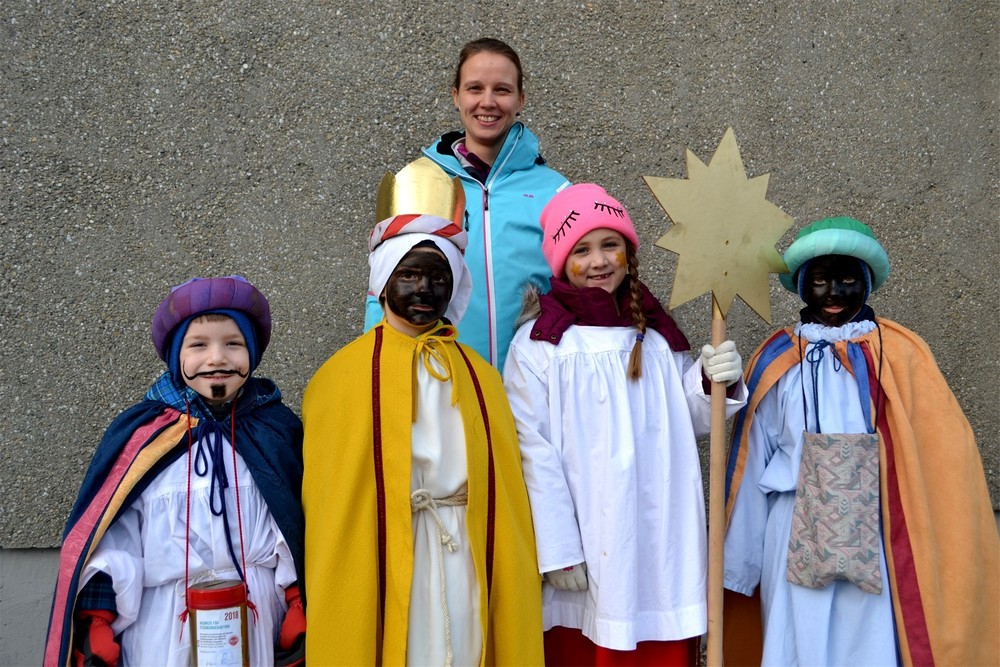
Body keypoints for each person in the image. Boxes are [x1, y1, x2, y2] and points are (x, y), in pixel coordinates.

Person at [722, 217, 998, 666]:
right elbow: (752, 460)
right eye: (819, 280)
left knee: (871, 643)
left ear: (867, 282)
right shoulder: (778, 359)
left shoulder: (901, 354)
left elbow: (940, 455)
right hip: (793, 527)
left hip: (880, 523)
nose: (834, 292)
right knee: (798, 639)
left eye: (848, 279)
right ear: (801, 285)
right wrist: (741, 563)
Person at [303, 159, 543, 665]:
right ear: (384, 279)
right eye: (409, 274)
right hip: (388, 554)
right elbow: (335, 512)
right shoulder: (340, 378)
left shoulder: (480, 375)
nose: (425, 290)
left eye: (438, 276)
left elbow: (506, 494)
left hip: (466, 550)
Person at [503, 183, 749, 666]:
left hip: (661, 533)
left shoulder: (654, 335)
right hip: (591, 540)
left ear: (629, 252)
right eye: (581, 250)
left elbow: (690, 420)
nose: (599, 261)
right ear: (560, 260)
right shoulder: (540, 346)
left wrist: (711, 380)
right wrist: (558, 550)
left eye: (610, 245)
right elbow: (532, 450)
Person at [44, 276, 305, 667]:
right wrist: (99, 619)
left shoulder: (275, 430)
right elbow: (114, 534)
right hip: (165, 622)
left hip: (255, 614)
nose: (216, 358)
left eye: (233, 344)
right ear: (174, 354)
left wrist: (297, 598)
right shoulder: (141, 435)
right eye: (198, 345)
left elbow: (292, 523)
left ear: (252, 351)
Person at [364, 36, 570, 371]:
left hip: (536, 385)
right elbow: (382, 291)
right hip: (443, 382)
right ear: (456, 96)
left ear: (520, 99)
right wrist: (379, 369)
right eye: (475, 88)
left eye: (502, 90)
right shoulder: (420, 185)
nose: (487, 102)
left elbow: (581, 292)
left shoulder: (557, 192)